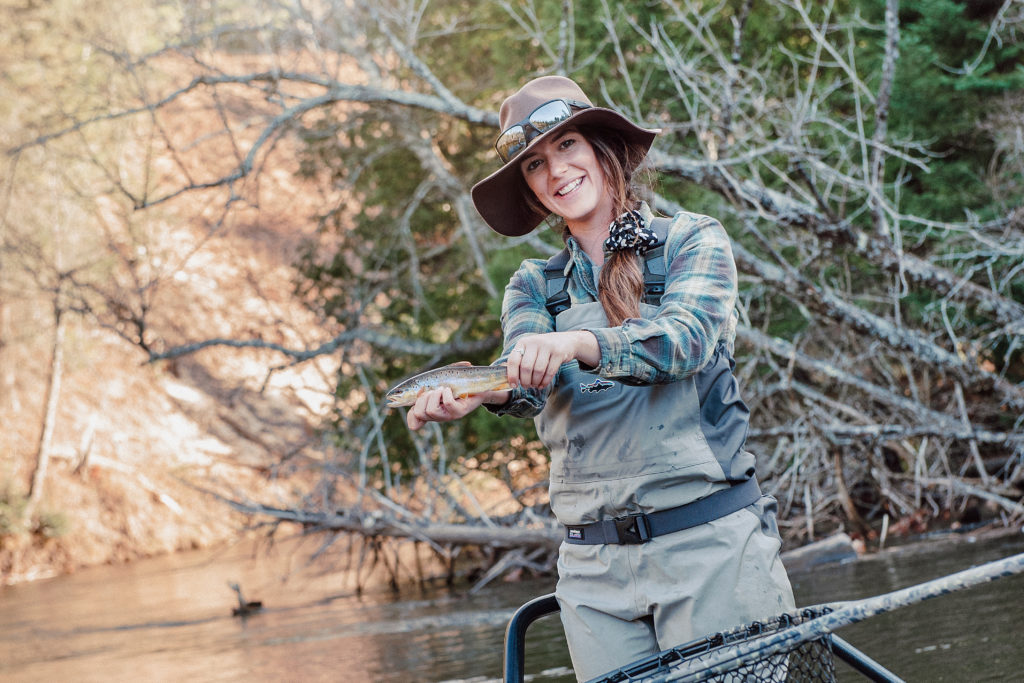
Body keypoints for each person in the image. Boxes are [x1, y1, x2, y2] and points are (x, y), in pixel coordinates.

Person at [405, 75, 795, 681]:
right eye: (535, 165)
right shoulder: (533, 286)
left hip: (710, 548)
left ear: (602, 149)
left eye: (567, 147)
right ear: (531, 190)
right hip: (593, 576)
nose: (556, 171)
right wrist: (476, 395)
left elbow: (684, 341)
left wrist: (578, 343)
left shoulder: (691, 241)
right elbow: (527, 384)